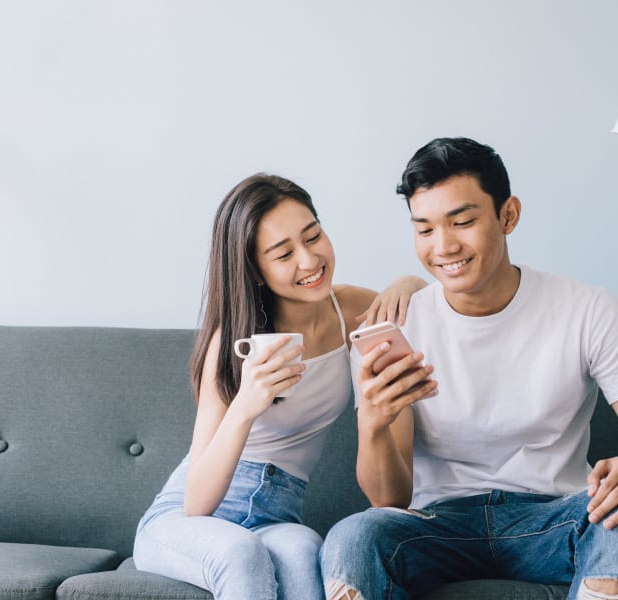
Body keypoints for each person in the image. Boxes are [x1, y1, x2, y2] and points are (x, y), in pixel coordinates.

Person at [320, 137, 618, 600]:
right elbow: (389, 501)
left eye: (462, 221)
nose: (443, 246)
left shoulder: (587, 310)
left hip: (556, 518)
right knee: (353, 537)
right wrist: (375, 424)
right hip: (436, 526)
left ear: (508, 215)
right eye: (424, 229)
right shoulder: (399, 326)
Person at [132, 173, 425, 600]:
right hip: (184, 519)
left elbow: (421, 295)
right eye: (284, 253)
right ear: (255, 269)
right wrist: (247, 404)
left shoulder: (350, 310)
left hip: (277, 514)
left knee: (307, 551)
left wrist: (405, 283)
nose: (309, 261)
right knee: (240, 554)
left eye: (313, 236)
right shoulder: (232, 340)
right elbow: (196, 503)